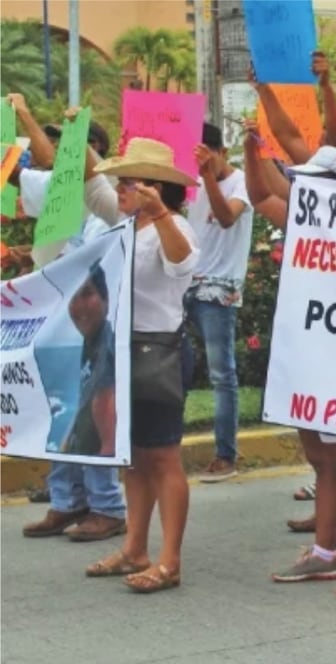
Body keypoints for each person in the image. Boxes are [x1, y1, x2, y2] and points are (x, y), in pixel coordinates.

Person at [244, 121, 336, 599]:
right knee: (322, 459)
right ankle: (325, 552)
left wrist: (327, 83)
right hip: (306, 353)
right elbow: (260, 196)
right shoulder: (304, 220)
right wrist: (253, 151)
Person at [81, 137, 200, 593]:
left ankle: (170, 559)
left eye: (129, 183)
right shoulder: (125, 229)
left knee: (162, 456)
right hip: (121, 348)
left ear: (156, 188)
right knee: (132, 458)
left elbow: (183, 262)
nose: (121, 190)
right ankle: (135, 547)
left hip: (158, 351)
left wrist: (162, 213)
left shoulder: (175, 228)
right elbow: (93, 190)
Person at [12, 95, 126, 542]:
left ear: (89, 150)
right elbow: (21, 173)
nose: (54, 155)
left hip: (95, 320)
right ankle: (66, 500)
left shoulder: (108, 194)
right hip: (58, 315)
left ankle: (107, 505)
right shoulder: (57, 187)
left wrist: (24, 114)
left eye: (65, 149)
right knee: (59, 407)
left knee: (94, 411)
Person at [185, 122, 254, 483]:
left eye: (207, 154)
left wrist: (207, 176)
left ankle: (226, 454)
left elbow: (227, 217)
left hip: (219, 289)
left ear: (221, 152)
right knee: (173, 368)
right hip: (185, 284)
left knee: (221, 374)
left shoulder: (240, 181)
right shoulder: (191, 181)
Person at [60, 263, 116, 458]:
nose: (79, 304)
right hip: (80, 454)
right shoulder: (85, 345)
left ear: (106, 300)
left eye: (86, 294)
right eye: (72, 297)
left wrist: (108, 450)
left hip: (97, 461)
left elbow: (105, 396)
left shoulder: (108, 344)